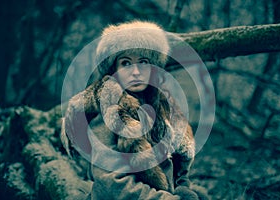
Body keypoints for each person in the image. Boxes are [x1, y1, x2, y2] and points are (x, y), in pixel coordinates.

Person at [61, 20, 208, 199]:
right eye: (126, 63)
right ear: (113, 69)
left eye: (143, 62)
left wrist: (182, 188)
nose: (136, 71)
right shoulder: (108, 111)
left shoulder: (163, 106)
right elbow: (113, 184)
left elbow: (178, 166)